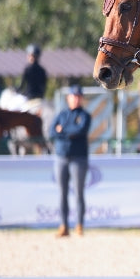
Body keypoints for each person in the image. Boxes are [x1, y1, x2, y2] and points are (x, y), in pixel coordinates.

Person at [50, 85, 91, 237]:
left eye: (78, 96)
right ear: (68, 98)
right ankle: (64, 226)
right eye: (74, 96)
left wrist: (63, 131)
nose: (76, 99)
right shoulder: (61, 114)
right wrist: (68, 132)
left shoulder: (85, 115)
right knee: (62, 193)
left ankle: (79, 225)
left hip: (78, 158)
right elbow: (52, 131)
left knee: (79, 193)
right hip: (61, 157)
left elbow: (80, 131)